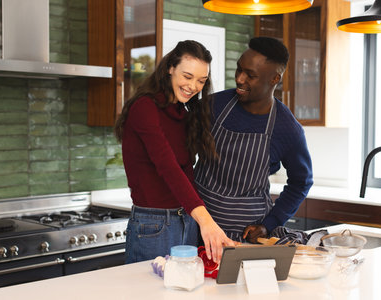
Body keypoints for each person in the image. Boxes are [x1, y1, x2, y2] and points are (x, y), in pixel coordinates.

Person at [114, 40, 235, 264]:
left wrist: (199, 219)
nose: (193, 86)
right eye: (187, 76)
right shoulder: (144, 108)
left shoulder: (183, 112)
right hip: (153, 225)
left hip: (186, 220)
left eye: (201, 80)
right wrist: (206, 221)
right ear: (170, 68)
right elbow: (167, 167)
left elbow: (186, 170)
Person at [194, 37, 313, 243]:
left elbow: (301, 182)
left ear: (274, 79)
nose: (240, 79)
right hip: (195, 228)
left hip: (245, 238)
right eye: (239, 69)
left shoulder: (287, 129)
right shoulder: (213, 105)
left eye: (251, 75)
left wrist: (270, 224)